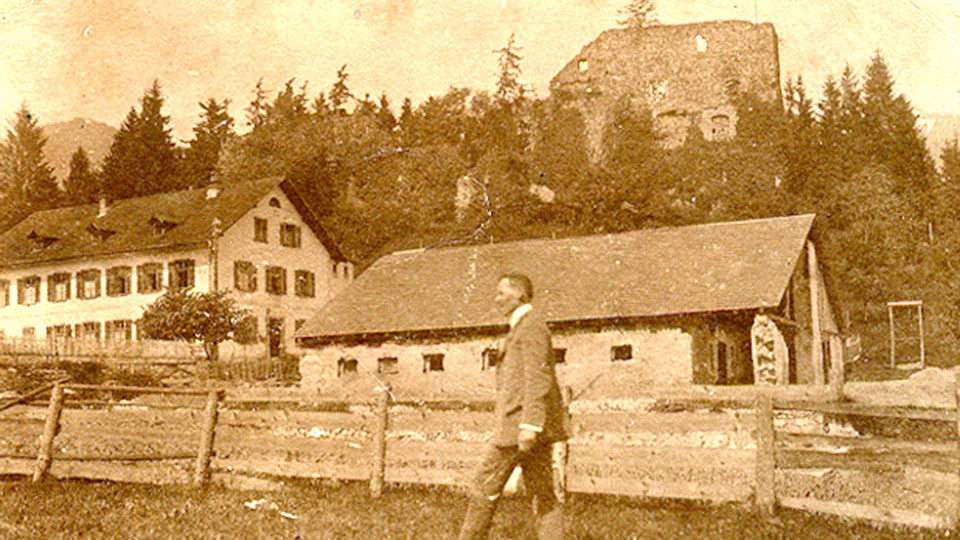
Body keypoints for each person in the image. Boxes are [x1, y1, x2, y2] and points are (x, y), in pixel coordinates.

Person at [458, 273, 567, 540]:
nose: (496, 300)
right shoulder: (523, 327)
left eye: (501, 294)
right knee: (543, 494)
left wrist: (530, 426)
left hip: (520, 429)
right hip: (530, 428)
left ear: (519, 295)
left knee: (482, 485)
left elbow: (538, 378)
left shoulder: (531, 327)